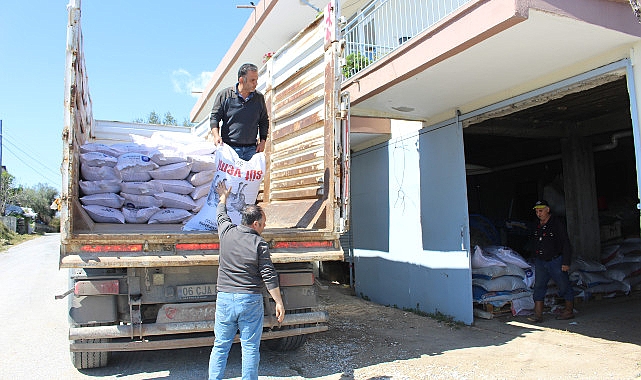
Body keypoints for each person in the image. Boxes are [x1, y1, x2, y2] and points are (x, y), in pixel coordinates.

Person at [208, 181, 285, 380]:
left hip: (225, 299)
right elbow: (268, 275)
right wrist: (278, 302)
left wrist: (223, 196)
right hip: (249, 300)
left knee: (220, 345)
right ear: (255, 224)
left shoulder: (226, 232)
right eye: (264, 223)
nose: (265, 227)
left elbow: (220, 214)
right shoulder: (259, 243)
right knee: (250, 347)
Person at [210, 63, 269, 161]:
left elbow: (264, 121)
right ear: (241, 80)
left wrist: (263, 141)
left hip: (251, 150)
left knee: (250, 177)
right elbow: (214, 118)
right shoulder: (225, 95)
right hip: (229, 150)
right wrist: (216, 136)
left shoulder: (259, 98)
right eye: (252, 80)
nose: (256, 83)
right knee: (230, 177)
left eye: (256, 80)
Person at [528, 200, 575, 322]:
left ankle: (569, 311)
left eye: (541, 211)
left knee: (564, 285)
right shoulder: (537, 225)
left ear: (548, 210)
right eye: (537, 211)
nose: (539, 214)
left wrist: (566, 262)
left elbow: (566, 242)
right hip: (541, 261)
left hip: (556, 261)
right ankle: (538, 315)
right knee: (539, 286)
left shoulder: (556, 223)